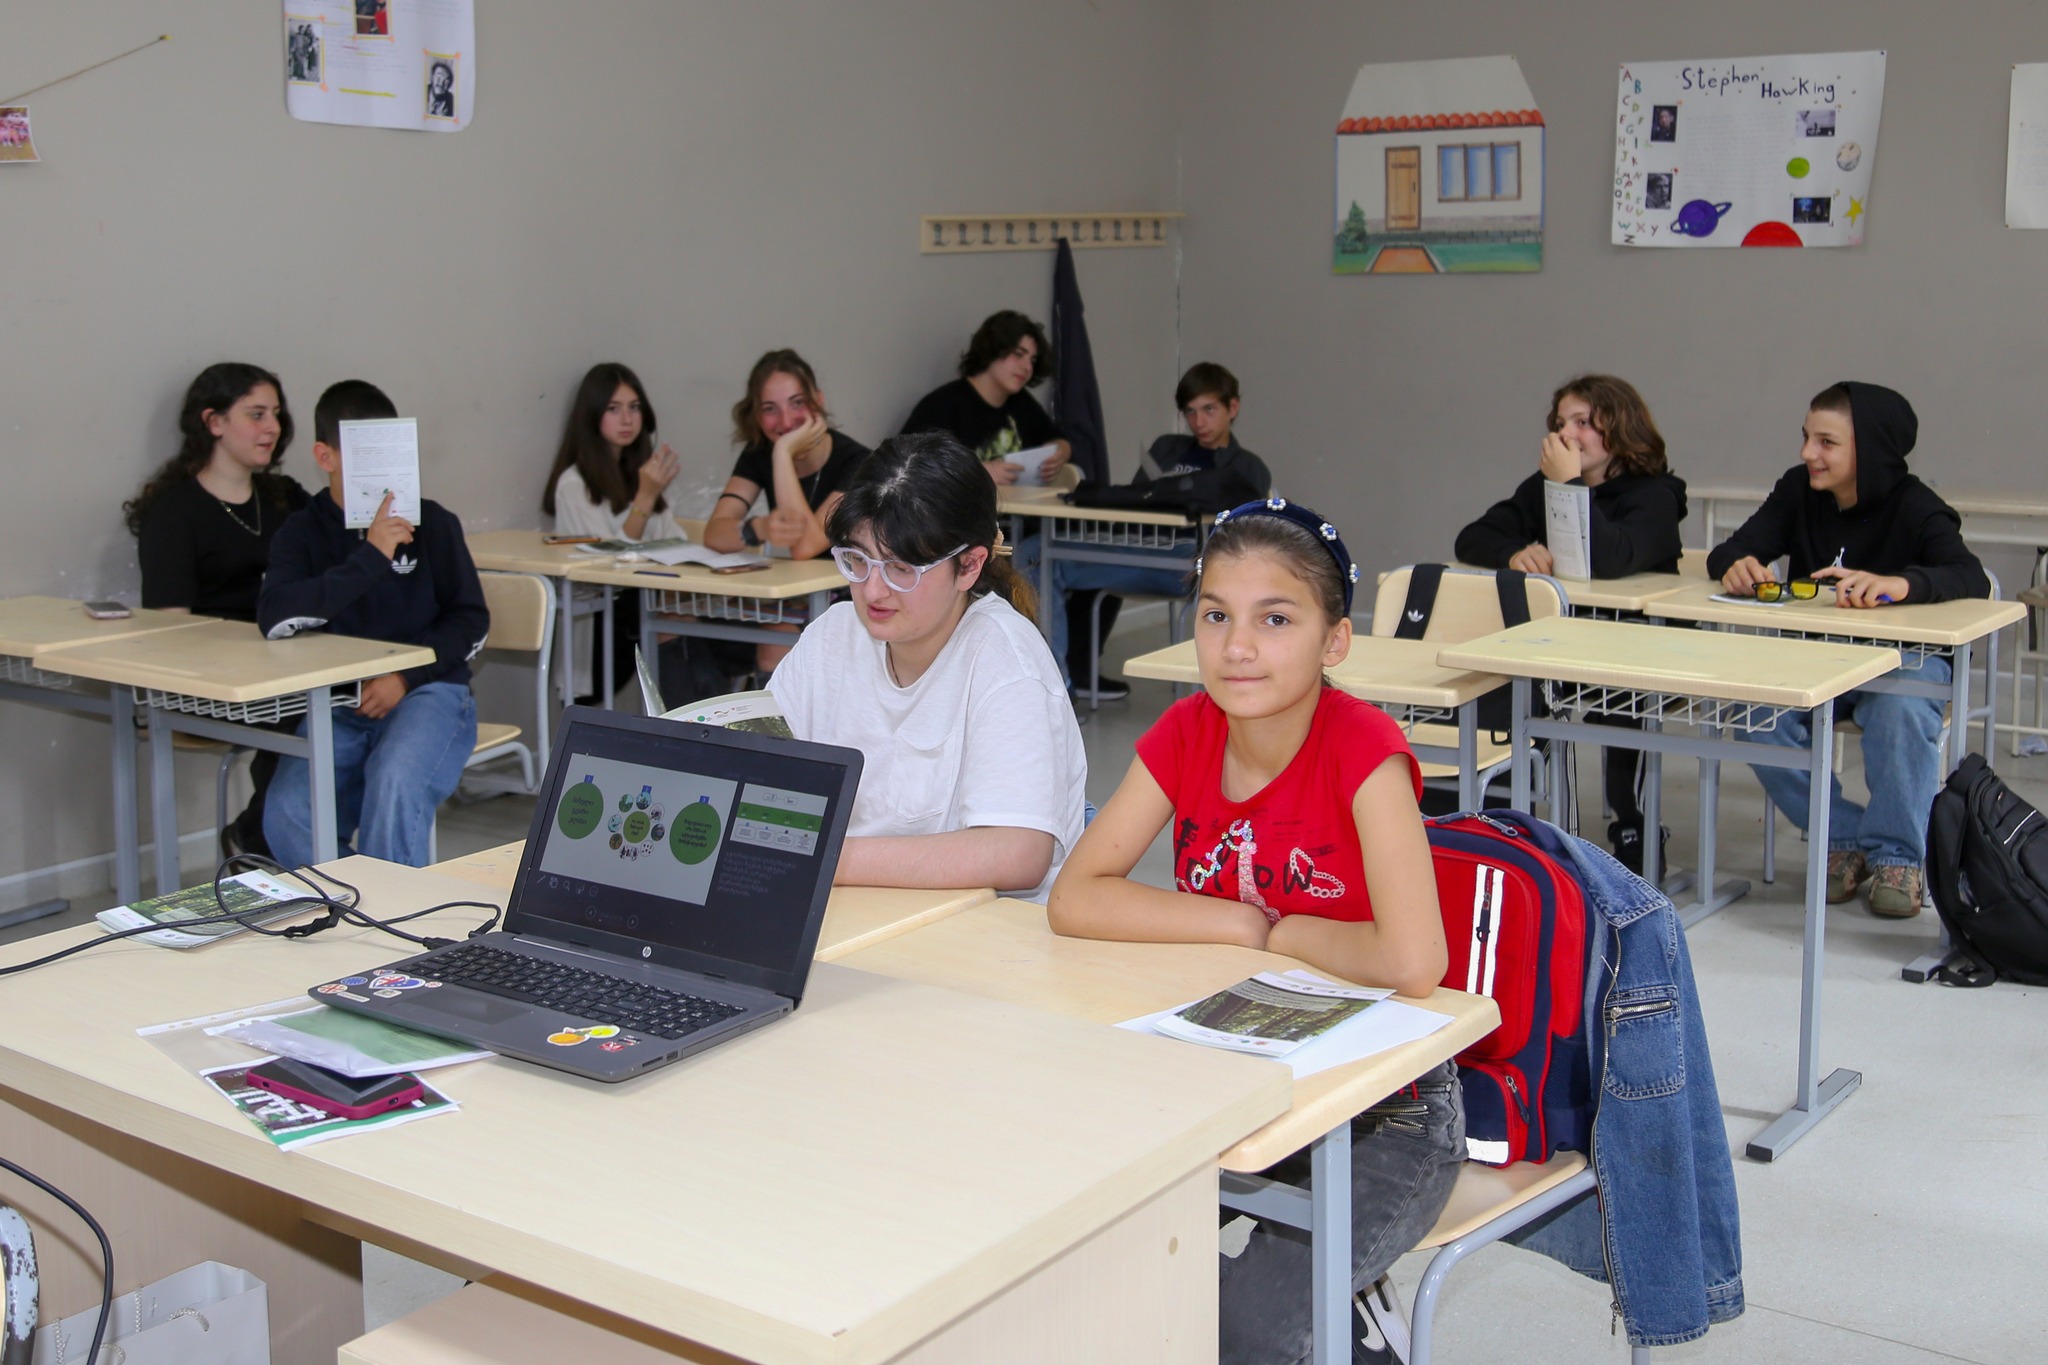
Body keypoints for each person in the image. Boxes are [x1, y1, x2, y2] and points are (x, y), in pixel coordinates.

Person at [1047, 498, 1458, 1365]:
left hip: (1385, 1116)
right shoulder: (1187, 731)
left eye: (1275, 619)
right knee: (1074, 1257)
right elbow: (1076, 896)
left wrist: (1281, 935)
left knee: (1241, 1332)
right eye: (1215, 615)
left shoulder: (1365, 750)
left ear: (1334, 641)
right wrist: (1236, 920)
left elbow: (1415, 959)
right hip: (1227, 1076)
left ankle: (1345, 1333)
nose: (1237, 646)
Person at [767, 431, 1086, 903]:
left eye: (902, 569)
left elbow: (1018, 852)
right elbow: (765, 769)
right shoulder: (832, 637)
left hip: (982, 928)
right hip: (861, 908)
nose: (873, 590)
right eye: (858, 560)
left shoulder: (1006, 663)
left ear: (969, 566)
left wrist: (828, 858)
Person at [1707, 381, 1988, 917]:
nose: (1807, 453)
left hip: (1906, 659)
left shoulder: (1917, 506)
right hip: (1818, 658)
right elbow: (1733, 548)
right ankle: (1843, 838)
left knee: (1900, 711)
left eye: (1826, 442)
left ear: (1872, 450)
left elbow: (1968, 575)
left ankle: (1898, 858)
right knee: (1754, 712)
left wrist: (1901, 584)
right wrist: (1735, 565)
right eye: (1807, 438)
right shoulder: (1798, 491)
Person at [1455, 374, 1687, 873]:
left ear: (1619, 428)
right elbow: (1473, 536)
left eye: (1582, 422)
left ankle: (1635, 824)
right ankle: (1526, 827)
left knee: (1624, 706)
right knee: (1515, 687)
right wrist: (1514, 551)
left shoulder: (1655, 495)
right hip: (1562, 644)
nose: (1566, 435)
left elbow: (1612, 558)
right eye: (1560, 423)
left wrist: (1568, 485)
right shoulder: (1541, 488)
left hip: (1636, 650)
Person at [259, 380, 488, 868]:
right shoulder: (302, 530)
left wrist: (404, 678)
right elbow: (275, 617)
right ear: (326, 457)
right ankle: (356, 901)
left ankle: (394, 908)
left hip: (427, 691)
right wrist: (372, 556)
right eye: (367, 454)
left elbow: (470, 620)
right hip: (338, 701)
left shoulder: (434, 524)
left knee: (395, 779)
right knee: (287, 811)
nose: (385, 469)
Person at [126, 362, 311, 857]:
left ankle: (269, 834)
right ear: (213, 422)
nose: (272, 427)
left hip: (284, 671)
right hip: (209, 684)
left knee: (353, 707)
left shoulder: (284, 498)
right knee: (318, 716)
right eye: (256, 414)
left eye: (276, 413)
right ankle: (268, 837)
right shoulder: (174, 510)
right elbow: (170, 626)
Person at [1039, 362, 1271, 700]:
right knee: (1040, 554)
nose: (1199, 422)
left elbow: (1243, 533)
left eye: (1209, 410)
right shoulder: (1167, 448)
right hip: (1140, 548)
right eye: (1190, 412)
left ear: (1232, 408)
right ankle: (1056, 688)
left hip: (1192, 563)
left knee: (1049, 556)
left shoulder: (1248, 466)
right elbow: (1135, 502)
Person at [701, 350, 872, 672]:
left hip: (848, 601)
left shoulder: (858, 462)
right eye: (770, 409)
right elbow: (715, 533)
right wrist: (758, 529)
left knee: (774, 642)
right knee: (676, 621)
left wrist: (782, 453)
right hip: (789, 599)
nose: (785, 421)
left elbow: (805, 546)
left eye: (797, 403)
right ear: (755, 415)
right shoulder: (756, 454)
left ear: (818, 401)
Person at [541, 362, 685, 700]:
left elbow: (674, 541)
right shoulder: (574, 484)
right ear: (592, 415)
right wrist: (645, 498)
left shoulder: (641, 474)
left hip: (640, 606)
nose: (627, 419)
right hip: (600, 620)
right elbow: (609, 565)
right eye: (613, 409)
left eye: (634, 408)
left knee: (695, 627)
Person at [901, 310, 1069, 485]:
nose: (1027, 367)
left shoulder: (1022, 403)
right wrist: (977, 472)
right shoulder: (942, 404)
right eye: (1018, 354)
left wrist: (1059, 453)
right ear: (993, 349)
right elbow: (908, 469)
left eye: (1032, 360)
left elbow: (1058, 439)